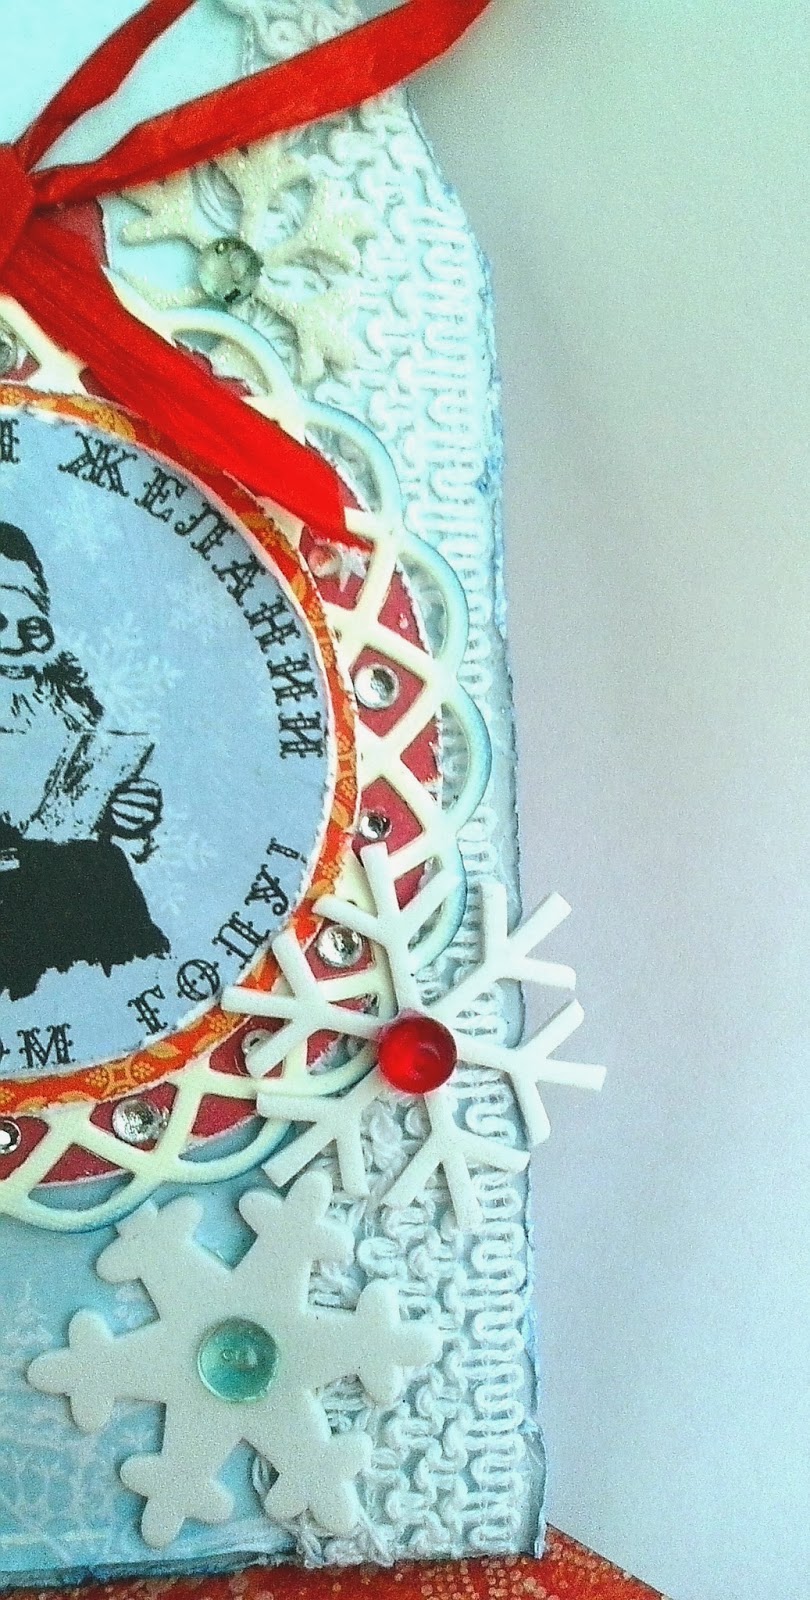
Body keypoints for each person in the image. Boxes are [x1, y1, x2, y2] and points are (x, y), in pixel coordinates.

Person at [0, 521, 168, 1001]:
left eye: (32, 627)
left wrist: (125, 819)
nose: (16, 645)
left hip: (76, 912)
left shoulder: (64, 704)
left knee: (102, 872)